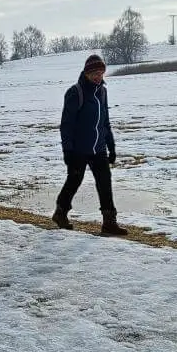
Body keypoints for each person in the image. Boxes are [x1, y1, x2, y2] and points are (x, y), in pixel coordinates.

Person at [51, 54, 127, 235]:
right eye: (94, 73)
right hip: (78, 149)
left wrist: (111, 146)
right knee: (74, 181)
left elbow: (105, 122)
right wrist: (67, 150)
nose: (98, 77)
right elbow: (67, 125)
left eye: (101, 73)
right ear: (86, 73)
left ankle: (109, 222)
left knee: (105, 183)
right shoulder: (75, 92)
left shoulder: (103, 92)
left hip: (98, 149)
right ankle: (60, 212)